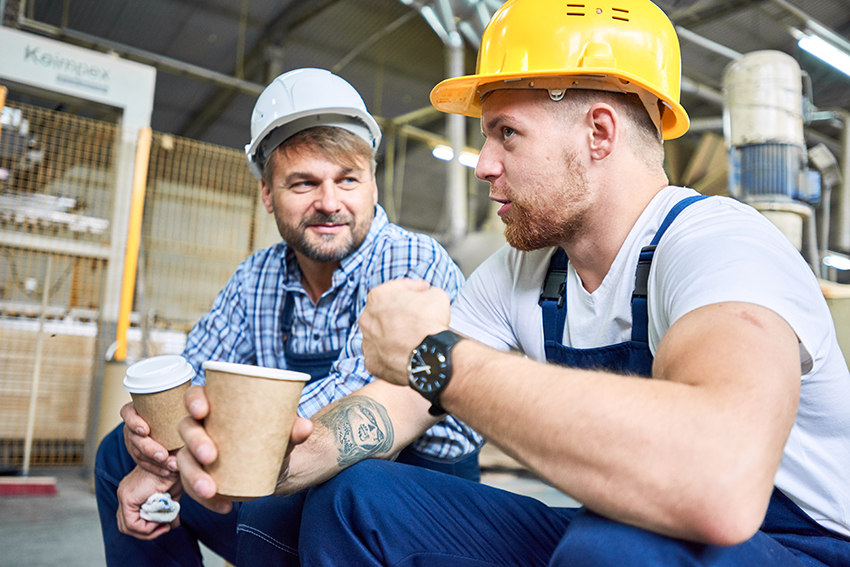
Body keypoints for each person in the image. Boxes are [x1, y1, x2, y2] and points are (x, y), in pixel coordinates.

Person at [291, 1, 850, 565]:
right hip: (629, 522)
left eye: (506, 133)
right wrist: (271, 457)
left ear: (599, 133)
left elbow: (719, 483)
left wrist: (438, 357)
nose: (483, 164)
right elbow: (402, 400)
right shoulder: (525, 270)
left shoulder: (719, 245)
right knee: (355, 500)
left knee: (613, 548)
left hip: (796, 546)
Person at [93, 67, 483, 567]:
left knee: (277, 503)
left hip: (409, 503)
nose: (329, 203)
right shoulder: (256, 277)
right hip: (295, 481)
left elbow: (351, 411)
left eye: (348, 180)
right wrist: (158, 441)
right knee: (116, 455)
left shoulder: (410, 264)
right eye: (303, 183)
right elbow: (194, 374)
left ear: (372, 186)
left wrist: (188, 456)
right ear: (266, 193)